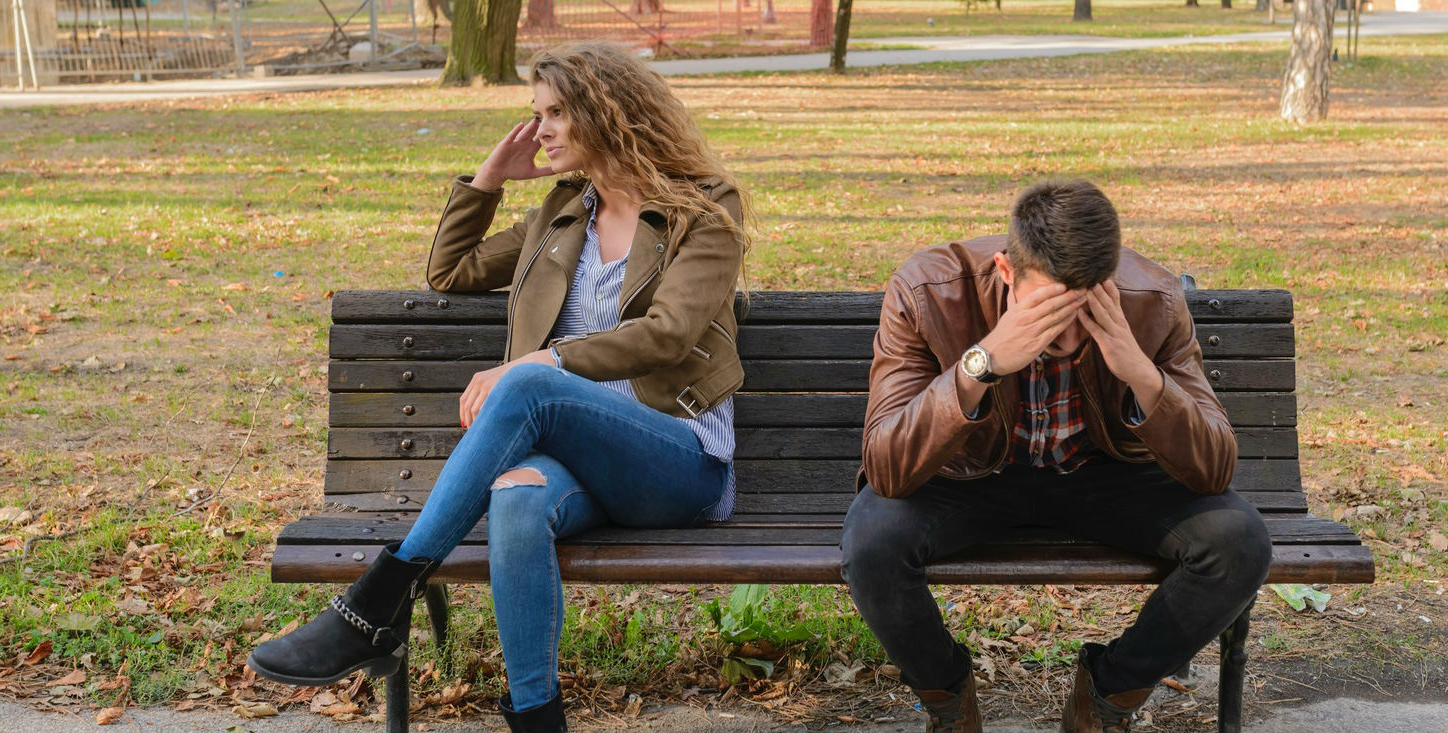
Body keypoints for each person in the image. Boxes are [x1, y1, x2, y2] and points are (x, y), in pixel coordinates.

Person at [247, 42, 750, 733]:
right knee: (515, 498)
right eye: (535, 113)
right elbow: (450, 272)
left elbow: (667, 335)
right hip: (581, 464)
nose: (539, 129)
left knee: (532, 383)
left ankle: (379, 599)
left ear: (606, 112)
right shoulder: (562, 214)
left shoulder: (705, 209)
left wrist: (537, 363)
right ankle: (538, 718)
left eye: (554, 113)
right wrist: (487, 181)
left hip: (680, 460)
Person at [839, 180, 1272, 733]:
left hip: (1104, 475)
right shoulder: (928, 290)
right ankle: (949, 702)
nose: (1063, 333)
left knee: (1238, 543)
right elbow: (887, 468)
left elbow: (1213, 470)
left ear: (1110, 283)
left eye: (1083, 308)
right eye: (1046, 308)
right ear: (1005, 271)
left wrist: (1138, 370)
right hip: (970, 477)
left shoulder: (1153, 299)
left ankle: (1106, 699)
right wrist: (982, 363)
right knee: (872, 543)